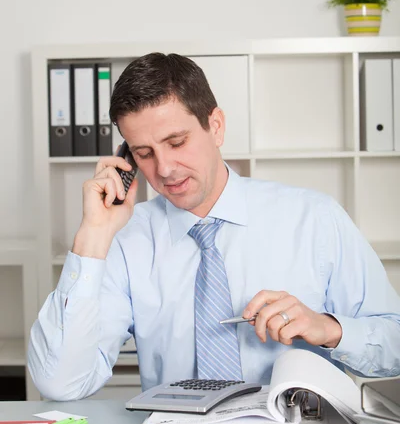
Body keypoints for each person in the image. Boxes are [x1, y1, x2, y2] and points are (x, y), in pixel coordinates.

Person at [28, 53, 400, 401]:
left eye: (177, 142)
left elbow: (395, 345)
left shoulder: (315, 218)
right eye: (144, 153)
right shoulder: (126, 240)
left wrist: (330, 329)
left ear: (216, 127)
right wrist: (93, 236)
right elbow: (60, 383)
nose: (166, 169)